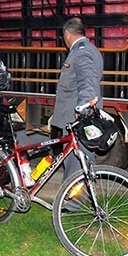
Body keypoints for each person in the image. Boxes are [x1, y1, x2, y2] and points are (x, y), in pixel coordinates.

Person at [51, 17, 103, 181]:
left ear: (66, 34)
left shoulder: (81, 53)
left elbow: (87, 82)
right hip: (79, 117)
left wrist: (82, 110)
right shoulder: (90, 48)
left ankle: (73, 203)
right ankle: (80, 198)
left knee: (77, 161)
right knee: (82, 160)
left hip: (77, 118)